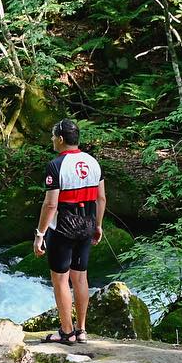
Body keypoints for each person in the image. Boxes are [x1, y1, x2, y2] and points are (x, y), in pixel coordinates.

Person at [32, 119, 105, 346]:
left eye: (54, 136)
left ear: (61, 139)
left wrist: (40, 234)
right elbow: (101, 198)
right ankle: (81, 330)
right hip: (87, 225)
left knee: (61, 280)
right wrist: (98, 225)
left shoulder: (56, 165)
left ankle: (66, 332)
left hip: (63, 228)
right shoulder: (93, 162)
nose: (52, 140)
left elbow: (50, 205)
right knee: (81, 277)